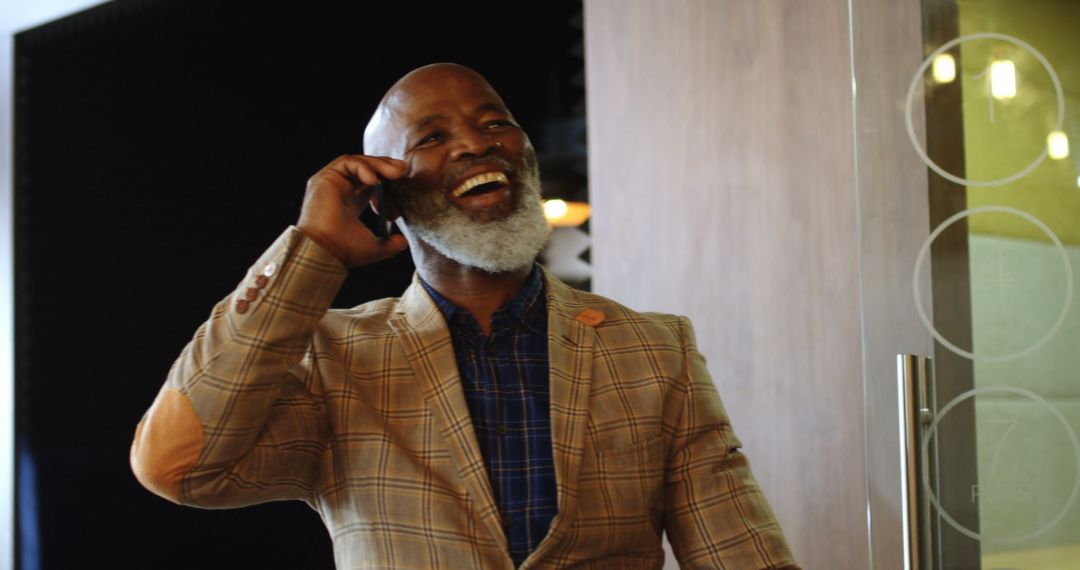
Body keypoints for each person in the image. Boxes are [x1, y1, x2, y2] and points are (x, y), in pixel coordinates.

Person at [130, 63, 798, 570]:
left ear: (527, 156)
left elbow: (739, 553)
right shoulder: (333, 362)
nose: (476, 144)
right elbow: (180, 468)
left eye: (495, 123)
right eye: (432, 136)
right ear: (385, 198)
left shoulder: (655, 349)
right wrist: (317, 252)